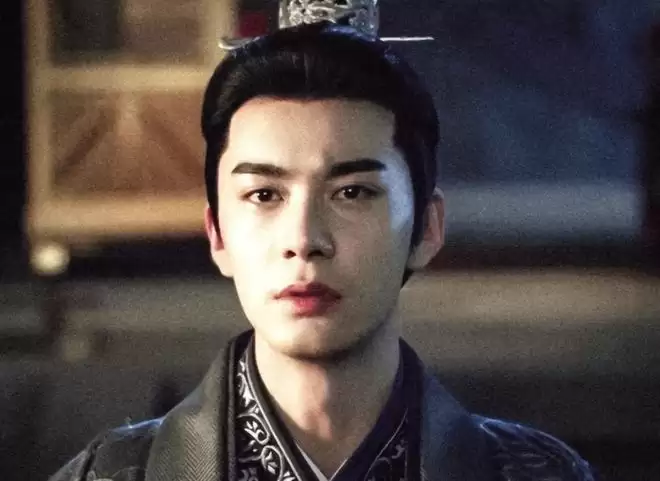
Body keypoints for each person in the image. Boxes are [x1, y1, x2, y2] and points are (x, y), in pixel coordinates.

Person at [49, 21, 597, 481]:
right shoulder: (112, 475)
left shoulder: (533, 473)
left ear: (427, 228)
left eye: (352, 193)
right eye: (265, 195)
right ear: (217, 234)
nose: (304, 239)